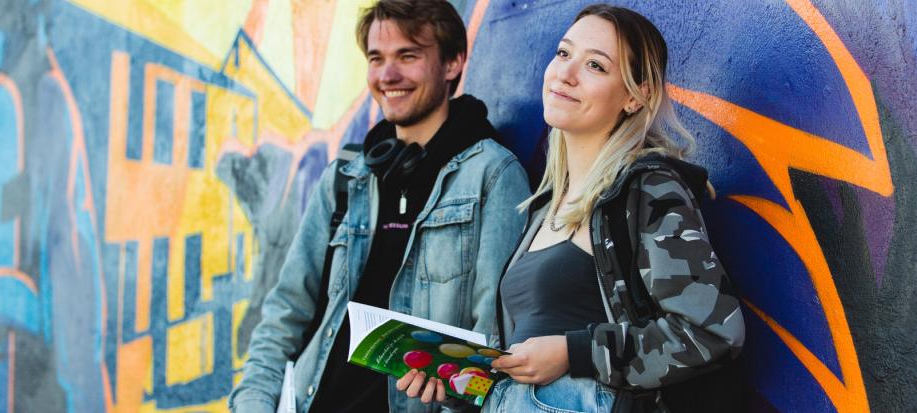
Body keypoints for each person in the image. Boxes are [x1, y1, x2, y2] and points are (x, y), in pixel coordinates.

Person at [396, 4, 745, 412]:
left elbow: (713, 333)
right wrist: (458, 385)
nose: (565, 72)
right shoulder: (545, 205)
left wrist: (573, 351)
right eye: (563, 53)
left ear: (635, 96)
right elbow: (527, 366)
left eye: (595, 65)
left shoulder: (646, 189)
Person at [229, 1, 531, 412]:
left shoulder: (493, 176)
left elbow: (493, 353)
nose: (387, 75)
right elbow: (284, 315)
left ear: (453, 63)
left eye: (408, 56)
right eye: (377, 59)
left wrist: (458, 395)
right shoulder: (346, 176)